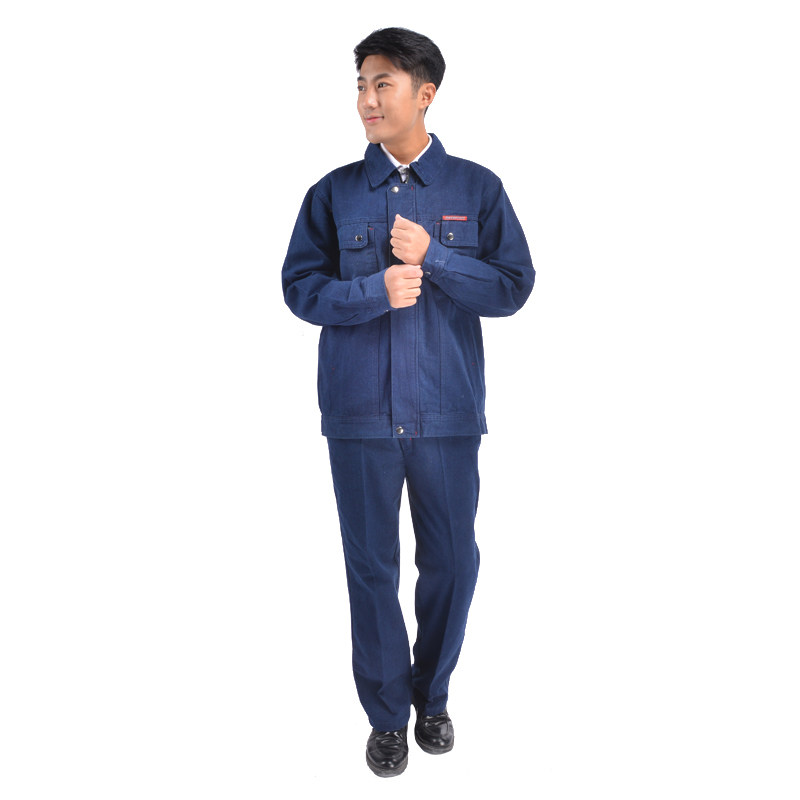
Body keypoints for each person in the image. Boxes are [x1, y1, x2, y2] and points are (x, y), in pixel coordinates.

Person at [281, 27, 534, 778]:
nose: (367, 99)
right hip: (359, 413)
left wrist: (438, 257)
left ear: (426, 94)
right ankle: (388, 717)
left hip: (446, 413)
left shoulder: (477, 189)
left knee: (453, 562)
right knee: (371, 569)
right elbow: (299, 289)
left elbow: (513, 287)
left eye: (382, 84)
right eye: (360, 85)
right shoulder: (331, 193)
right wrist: (373, 290)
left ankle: (434, 696)